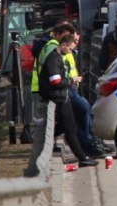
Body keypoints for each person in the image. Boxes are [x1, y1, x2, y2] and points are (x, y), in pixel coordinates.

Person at [41, 34, 98, 167]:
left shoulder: (57, 57)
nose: (71, 51)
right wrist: (73, 80)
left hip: (61, 96)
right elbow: (55, 81)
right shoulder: (54, 59)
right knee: (70, 128)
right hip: (59, 97)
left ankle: (45, 141)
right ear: (64, 44)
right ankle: (82, 157)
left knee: (66, 126)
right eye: (70, 48)